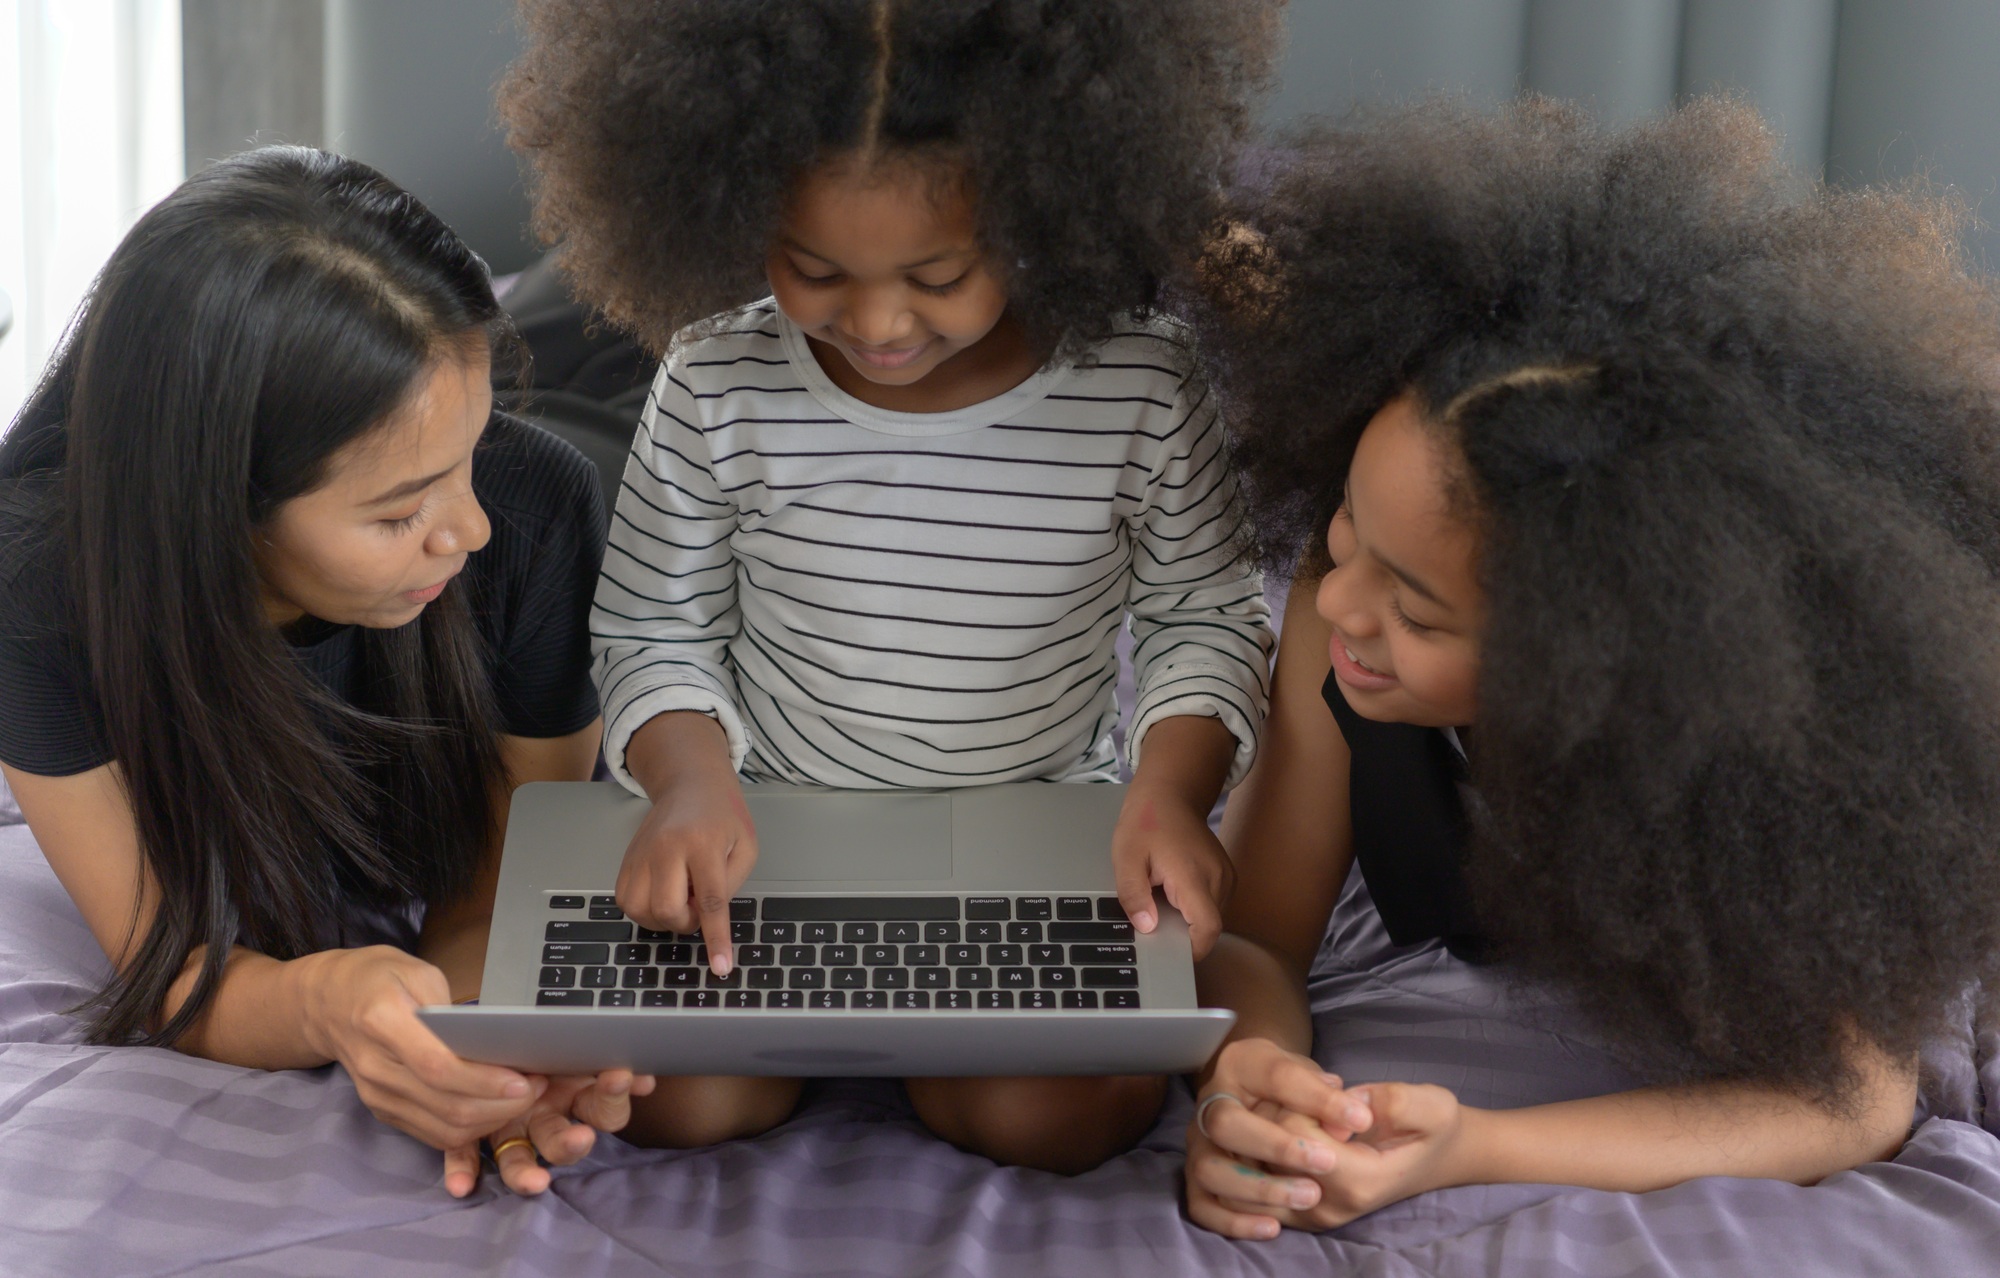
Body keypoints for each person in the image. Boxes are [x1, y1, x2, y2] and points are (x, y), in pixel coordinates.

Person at [1181, 98, 2000, 1237]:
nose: (1338, 603)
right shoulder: (1337, 630)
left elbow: (1853, 1099)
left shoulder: (1737, 765)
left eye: (1415, 607)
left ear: (1577, 653)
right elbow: (1258, 937)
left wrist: (1471, 1147)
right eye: (1346, 525)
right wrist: (1250, 1077)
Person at [498, 0, 1279, 1170]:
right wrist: (688, 783)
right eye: (812, 269)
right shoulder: (714, 376)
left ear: (1042, 213)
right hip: (761, 833)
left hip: (1034, 831)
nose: (872, 321)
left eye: (937, 274)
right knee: (670, 1104)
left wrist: (1169, 790)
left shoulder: (1142, 384)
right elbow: (656, 627)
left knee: (1055, 1121)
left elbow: (1202, 619)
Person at [0, 147, 653, 1199]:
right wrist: (334, 1005)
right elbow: (171, 970)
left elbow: (495, 888)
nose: (468, 529)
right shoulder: (37, 593)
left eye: (465, 465)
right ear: (215, 504)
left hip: (609, 439)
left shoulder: (530, 513)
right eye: (399, 514)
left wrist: (479, 1041)